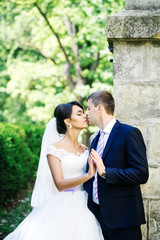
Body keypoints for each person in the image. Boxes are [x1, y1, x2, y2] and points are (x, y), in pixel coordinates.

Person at [4, 101, 104, 240]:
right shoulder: (54, 150)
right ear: (68, 121)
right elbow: (60, 184)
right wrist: (88, 175)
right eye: (79, 114)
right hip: (63, 205)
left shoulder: (86, 148)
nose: (85, 116)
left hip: (87, 204)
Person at [83, 91, 149, 240]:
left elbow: (141, 173)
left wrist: (106, 172)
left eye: (88, 108)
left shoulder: (129, 133)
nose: (87, 113)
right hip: (97, 217)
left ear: (99, 108)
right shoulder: (95, 138)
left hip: (123, 219)